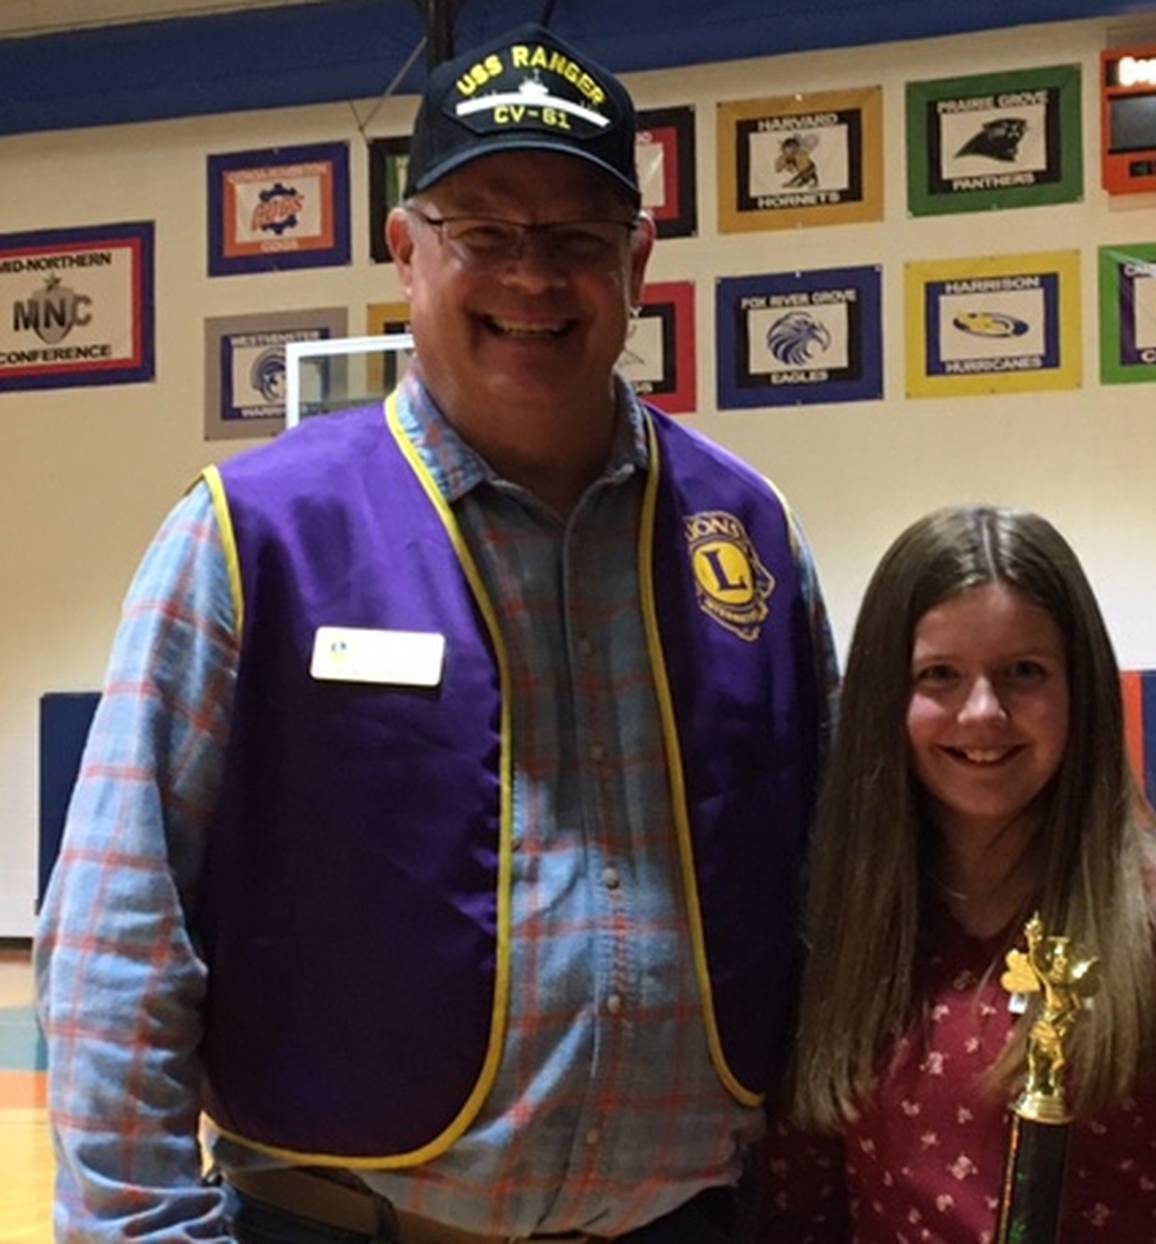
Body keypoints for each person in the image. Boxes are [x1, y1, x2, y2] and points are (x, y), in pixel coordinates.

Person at [36, 23, 834, 1244]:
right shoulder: (251, 536)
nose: (533, 277)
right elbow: (118, 931)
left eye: (575, 238)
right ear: (408, 252)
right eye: (487, 234)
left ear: (637, 261)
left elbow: (841, 890)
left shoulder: (750, 535)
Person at [756, 506, 1156, 1243]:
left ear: (1080, 688)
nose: (983, 712)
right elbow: (796, 1218)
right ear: (883, 701)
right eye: (940, 676)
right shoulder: (835, 940)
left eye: (1023, 672)